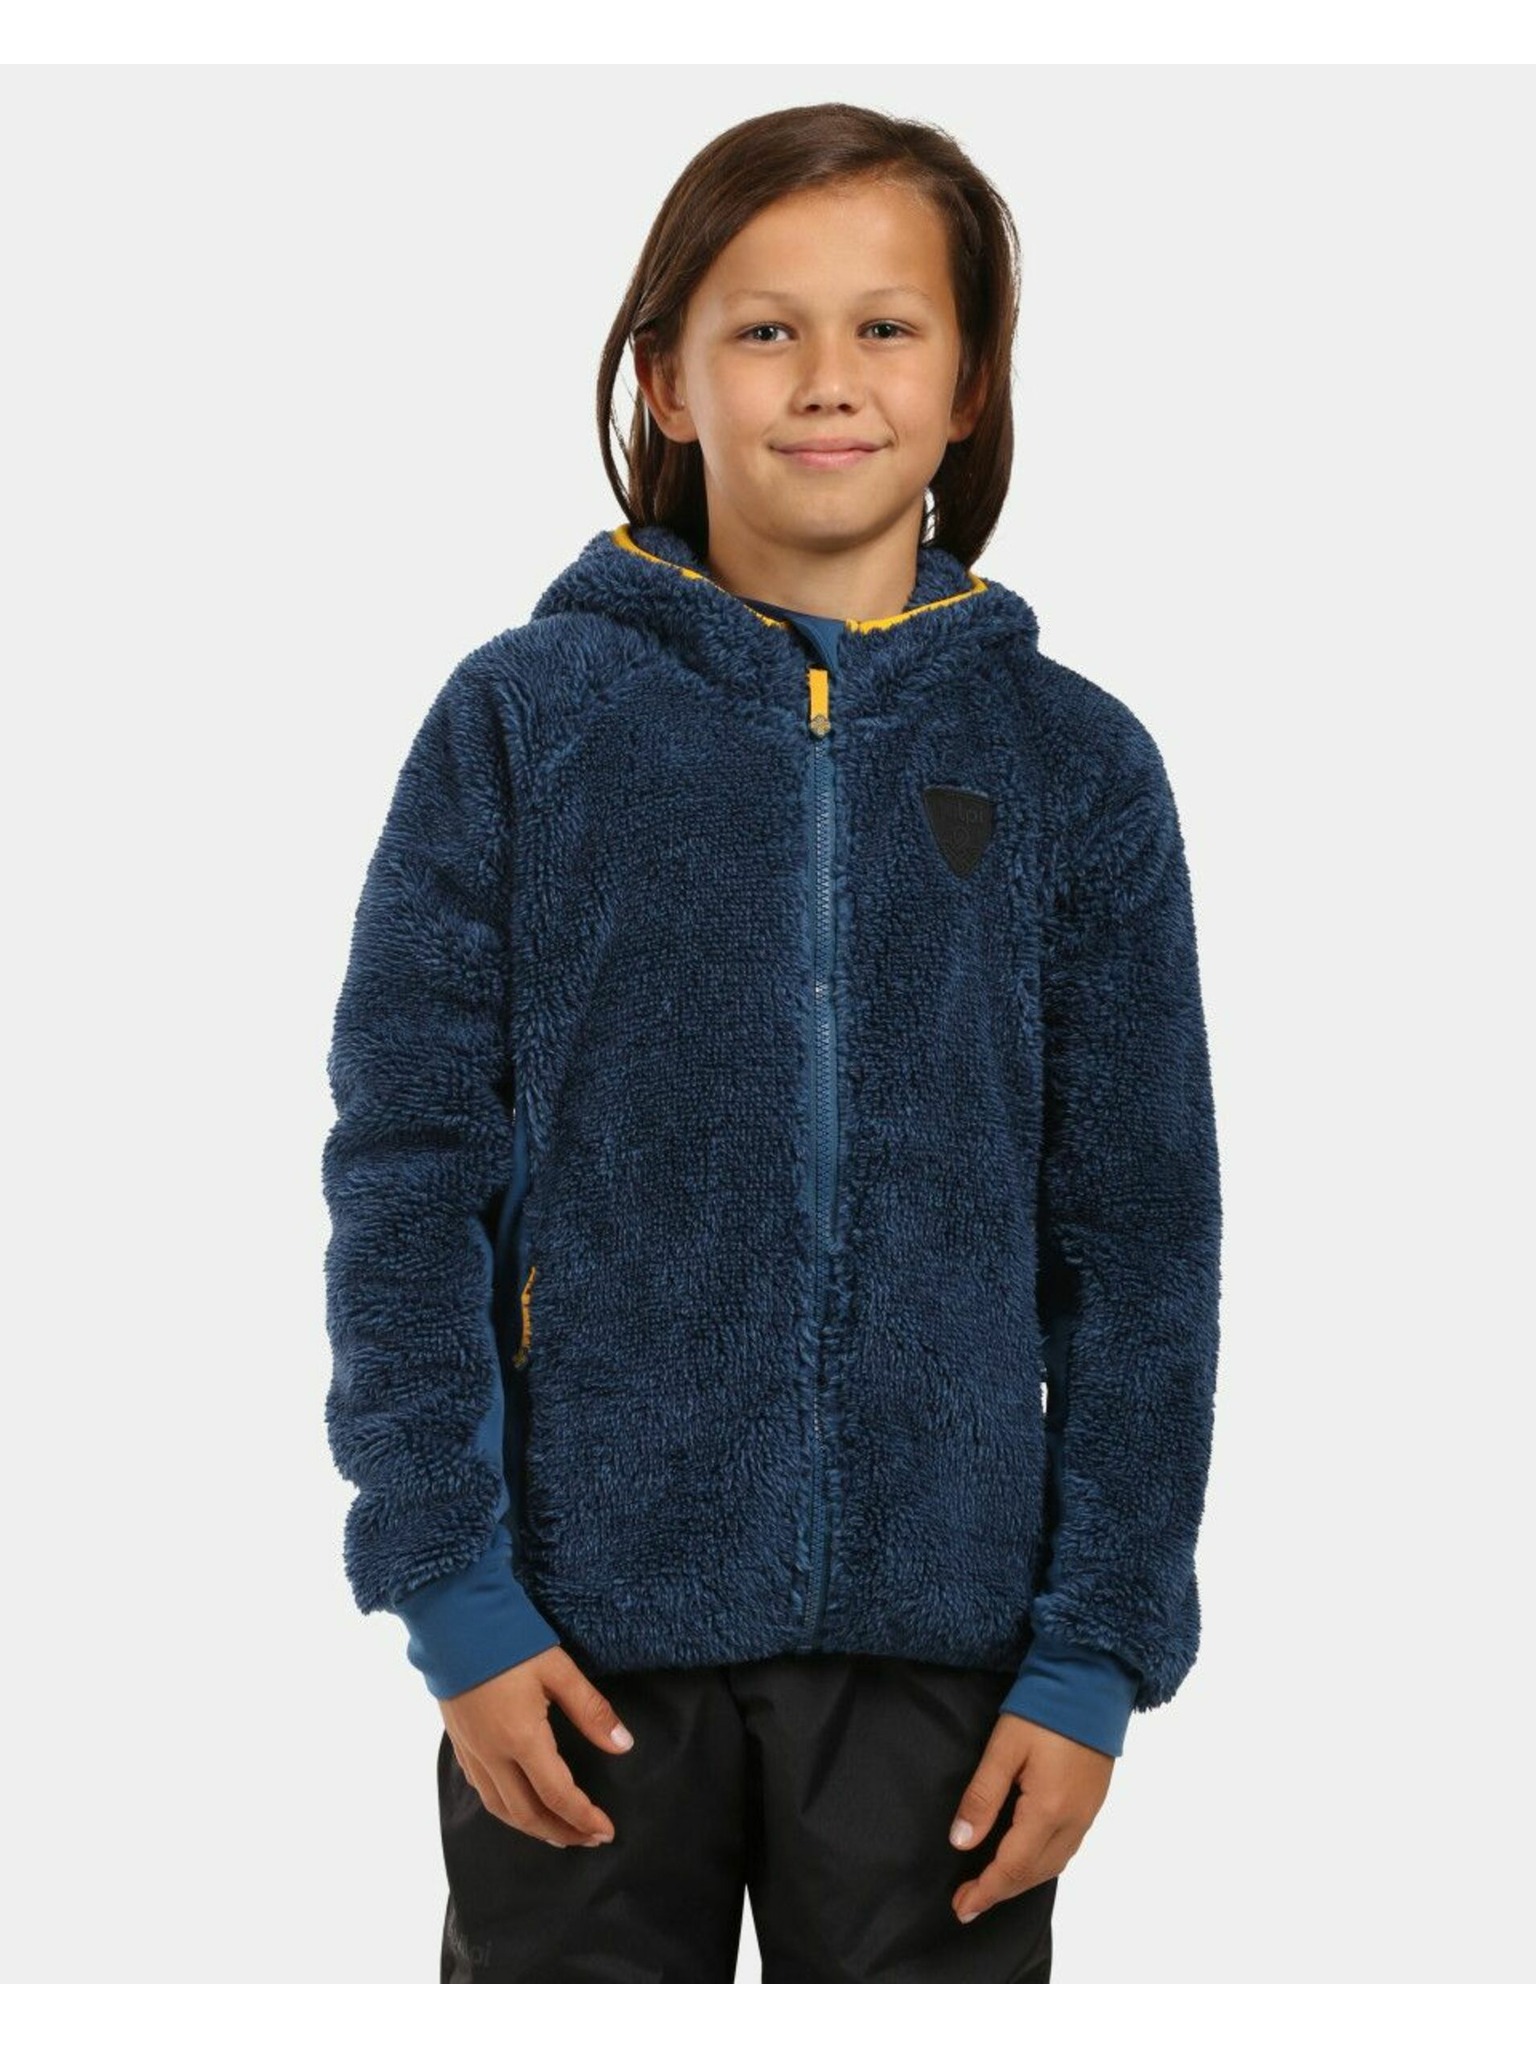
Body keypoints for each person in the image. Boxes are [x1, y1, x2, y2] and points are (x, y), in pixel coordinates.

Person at [321, 101, 1222, 1985]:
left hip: (950, 1665)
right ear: (666, 377)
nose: (828, 379)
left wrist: (1094, 1652)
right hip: (574, 1644)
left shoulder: (1075, 764)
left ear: (970, 383)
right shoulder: (524, 724)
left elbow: (1141, 1243)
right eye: (764, 328)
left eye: (887, 326)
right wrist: (455, 1598)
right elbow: (407, 1179)